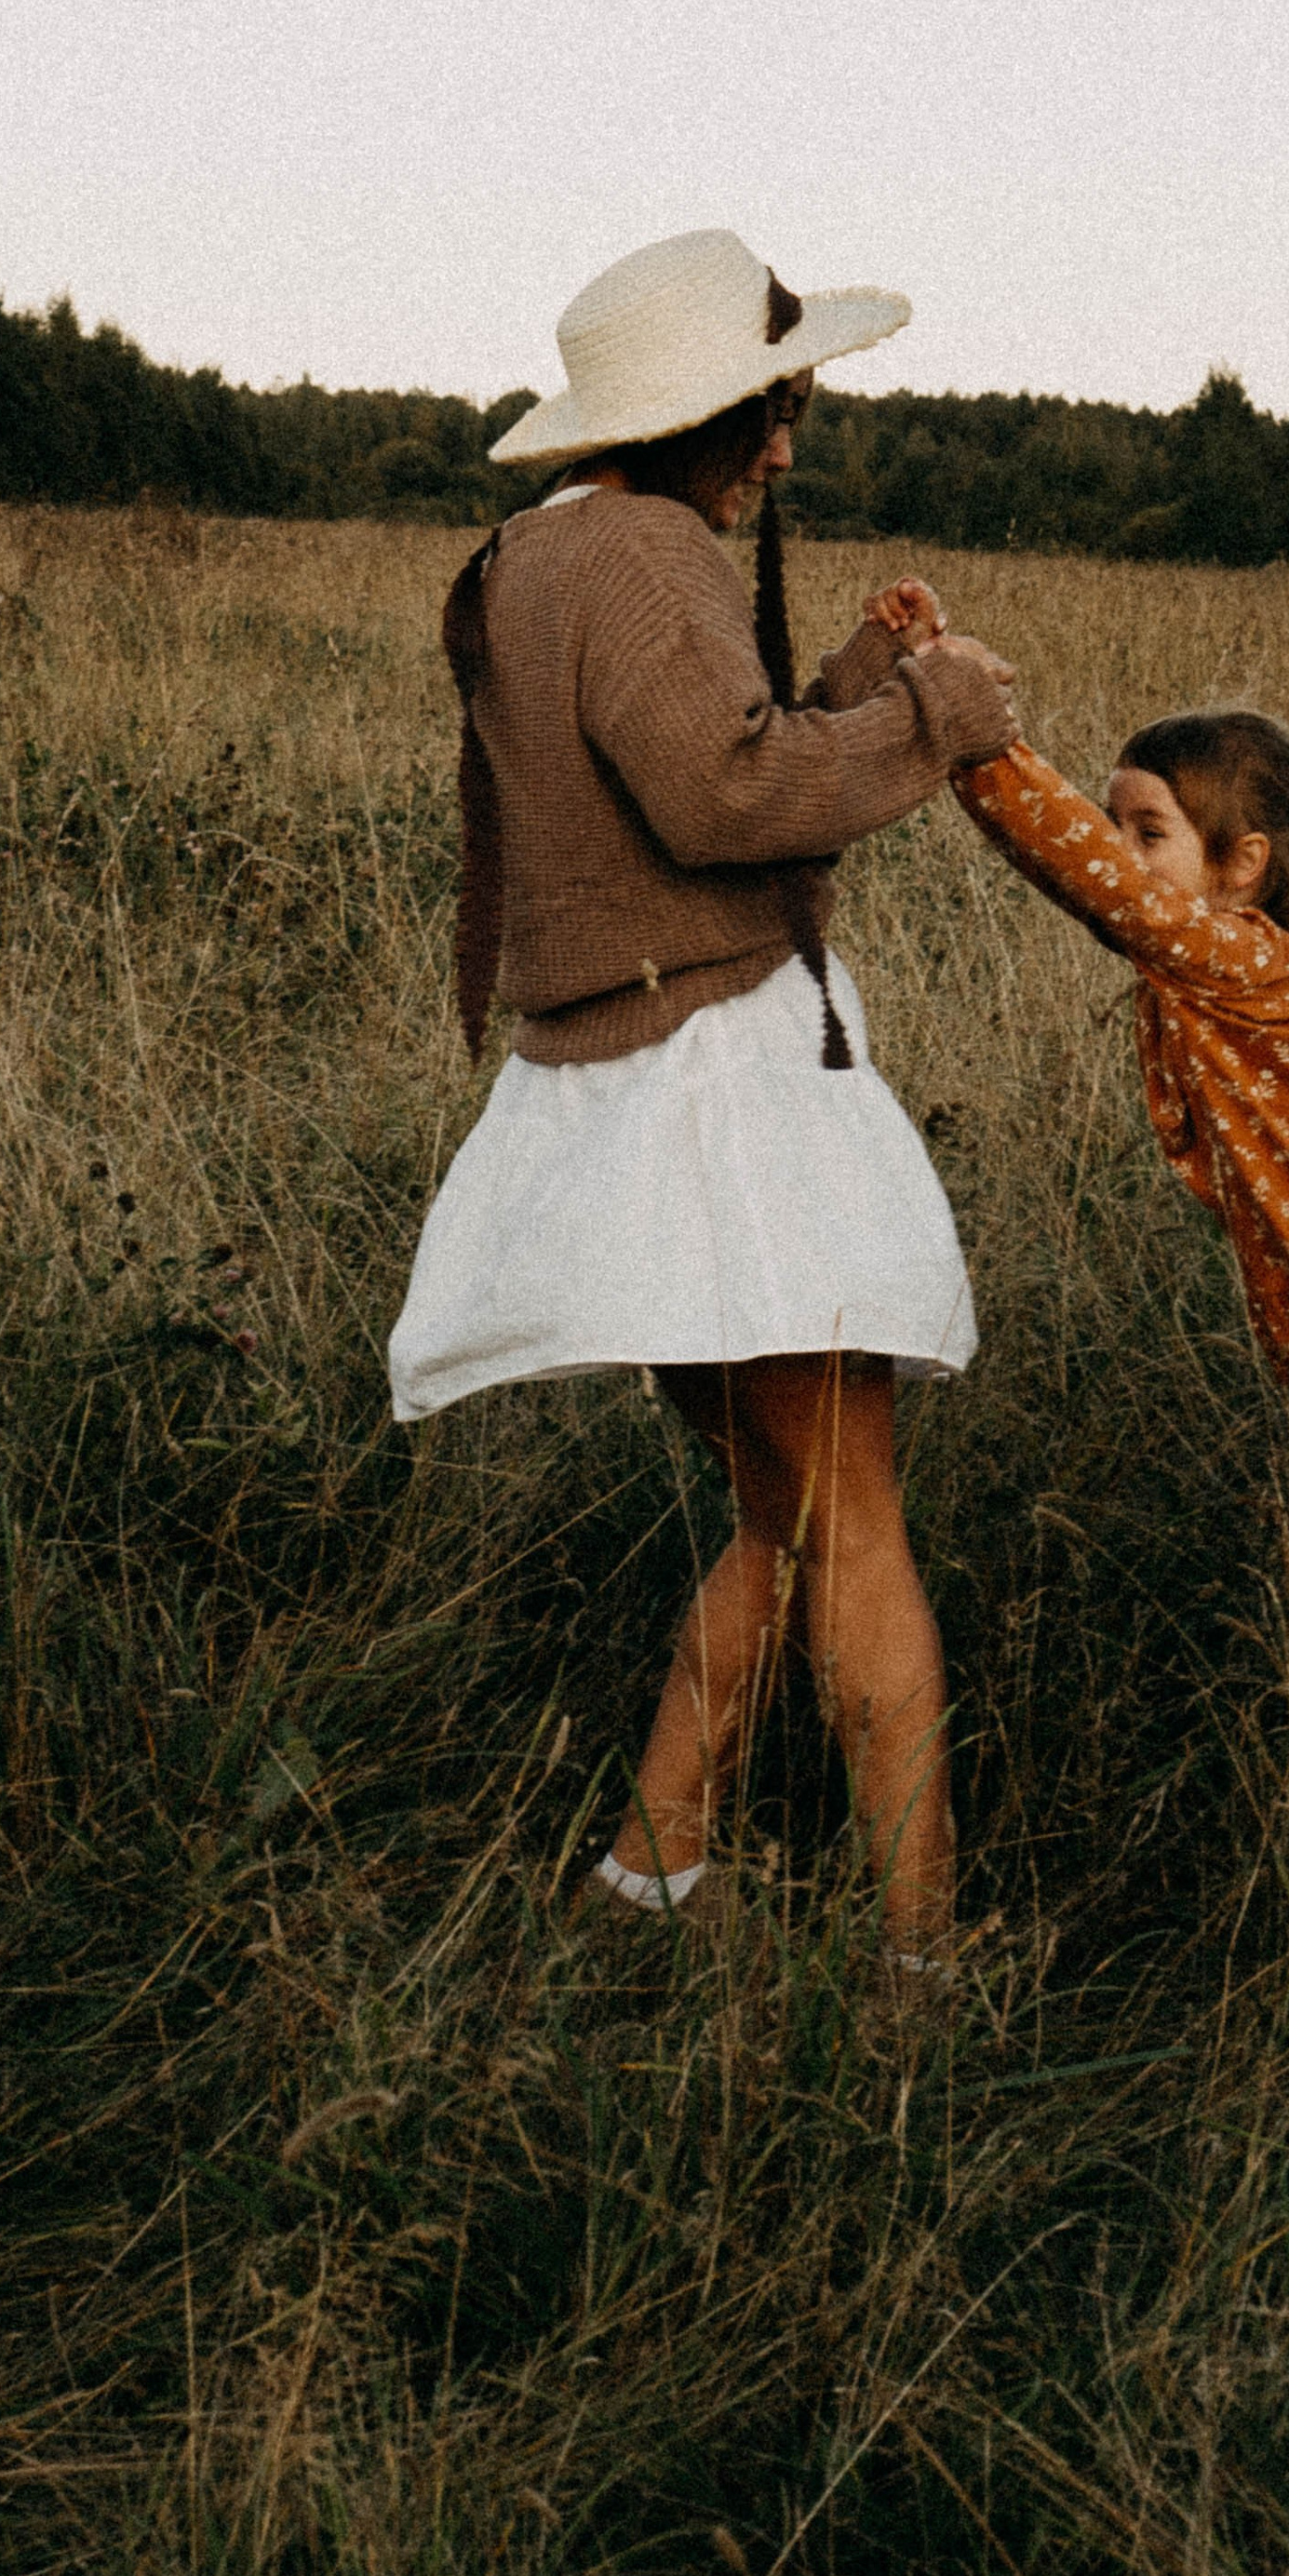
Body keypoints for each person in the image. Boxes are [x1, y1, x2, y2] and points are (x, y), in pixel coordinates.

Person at [387, 229, 1020, 1966]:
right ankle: (921, 1967)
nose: (789, 445)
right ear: (698, 415)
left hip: (612, 1092)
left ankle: (646, 1880)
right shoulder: (654, 557)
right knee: (858, 1527)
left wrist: (838, 697)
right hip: (724, 1089)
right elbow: (719, 803)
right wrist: (936, 721)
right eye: (774, 408)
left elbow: (671, 759)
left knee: (781, 1514)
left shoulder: (531, 557)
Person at [954, 710, 1289, 1418]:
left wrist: (974, 741)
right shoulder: (1207, 963)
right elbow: (1080, 879)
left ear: (1245, 863)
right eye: (1111, 825)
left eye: (1148, 833)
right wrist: (951, 743)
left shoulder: (1235, 958)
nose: (1117, 850)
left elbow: (1091, 877)